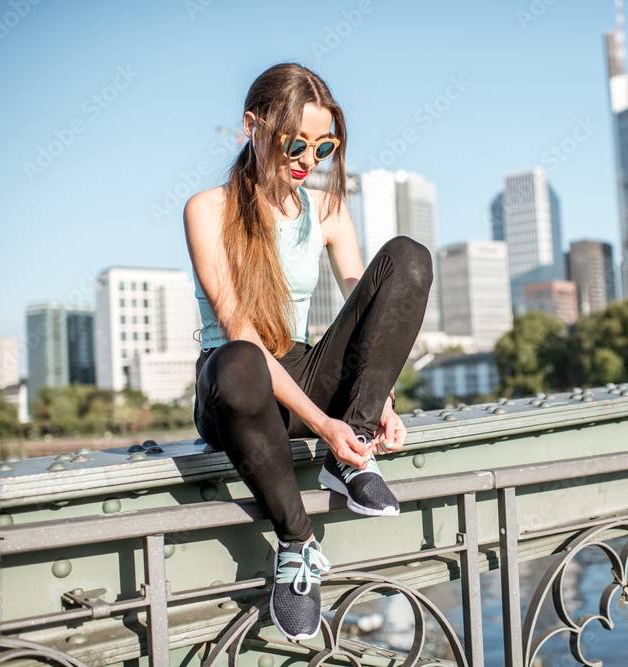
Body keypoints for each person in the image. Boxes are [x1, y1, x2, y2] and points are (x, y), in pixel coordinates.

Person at [183, 62, 432, 641]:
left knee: (408, 256)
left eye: (324, 146)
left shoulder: (326, 212)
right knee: (241, 358)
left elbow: (376, 320)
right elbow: (241, 331)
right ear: (253, 126)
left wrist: (376, 403)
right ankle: (297, 548)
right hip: (236, 387)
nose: (308, 159)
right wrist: (323, 421)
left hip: (303, 370)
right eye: (297, 143)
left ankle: (352, 454)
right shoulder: (207, 210)